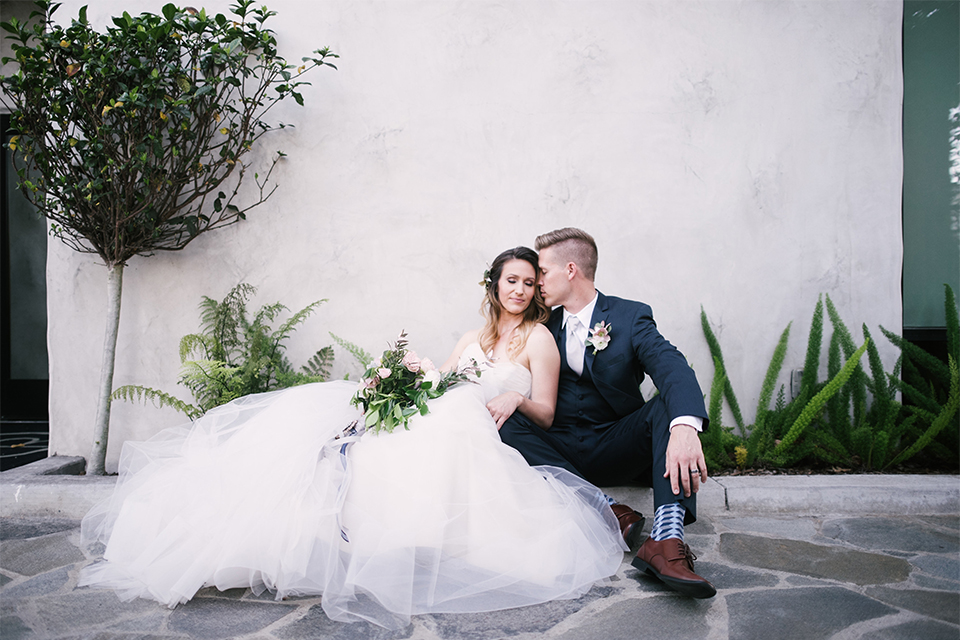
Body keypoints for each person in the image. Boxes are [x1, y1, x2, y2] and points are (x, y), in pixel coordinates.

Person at [78, 246, 627, 630]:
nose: (520, 289)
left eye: (530, 283)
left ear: (537, 292)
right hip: (450, 414)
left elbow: (547, 413)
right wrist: (409, 378)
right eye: (512, 280)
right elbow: (444, 380)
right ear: (495, 285)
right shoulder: (474, 336)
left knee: (431, 434)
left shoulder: (539, 340)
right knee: (357, 437)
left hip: (481, 428)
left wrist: (515, 398)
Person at [499, 228, 716, 598]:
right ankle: (605, 507)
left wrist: (685, 428)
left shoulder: (630, 316)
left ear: (571, 270)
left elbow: (671, 365)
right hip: (558, 449)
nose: (536, 285)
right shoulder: (540, 325)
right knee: (505, 413)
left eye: (543, 274)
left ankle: (665, 542)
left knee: (667, 408)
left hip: (615, 444)